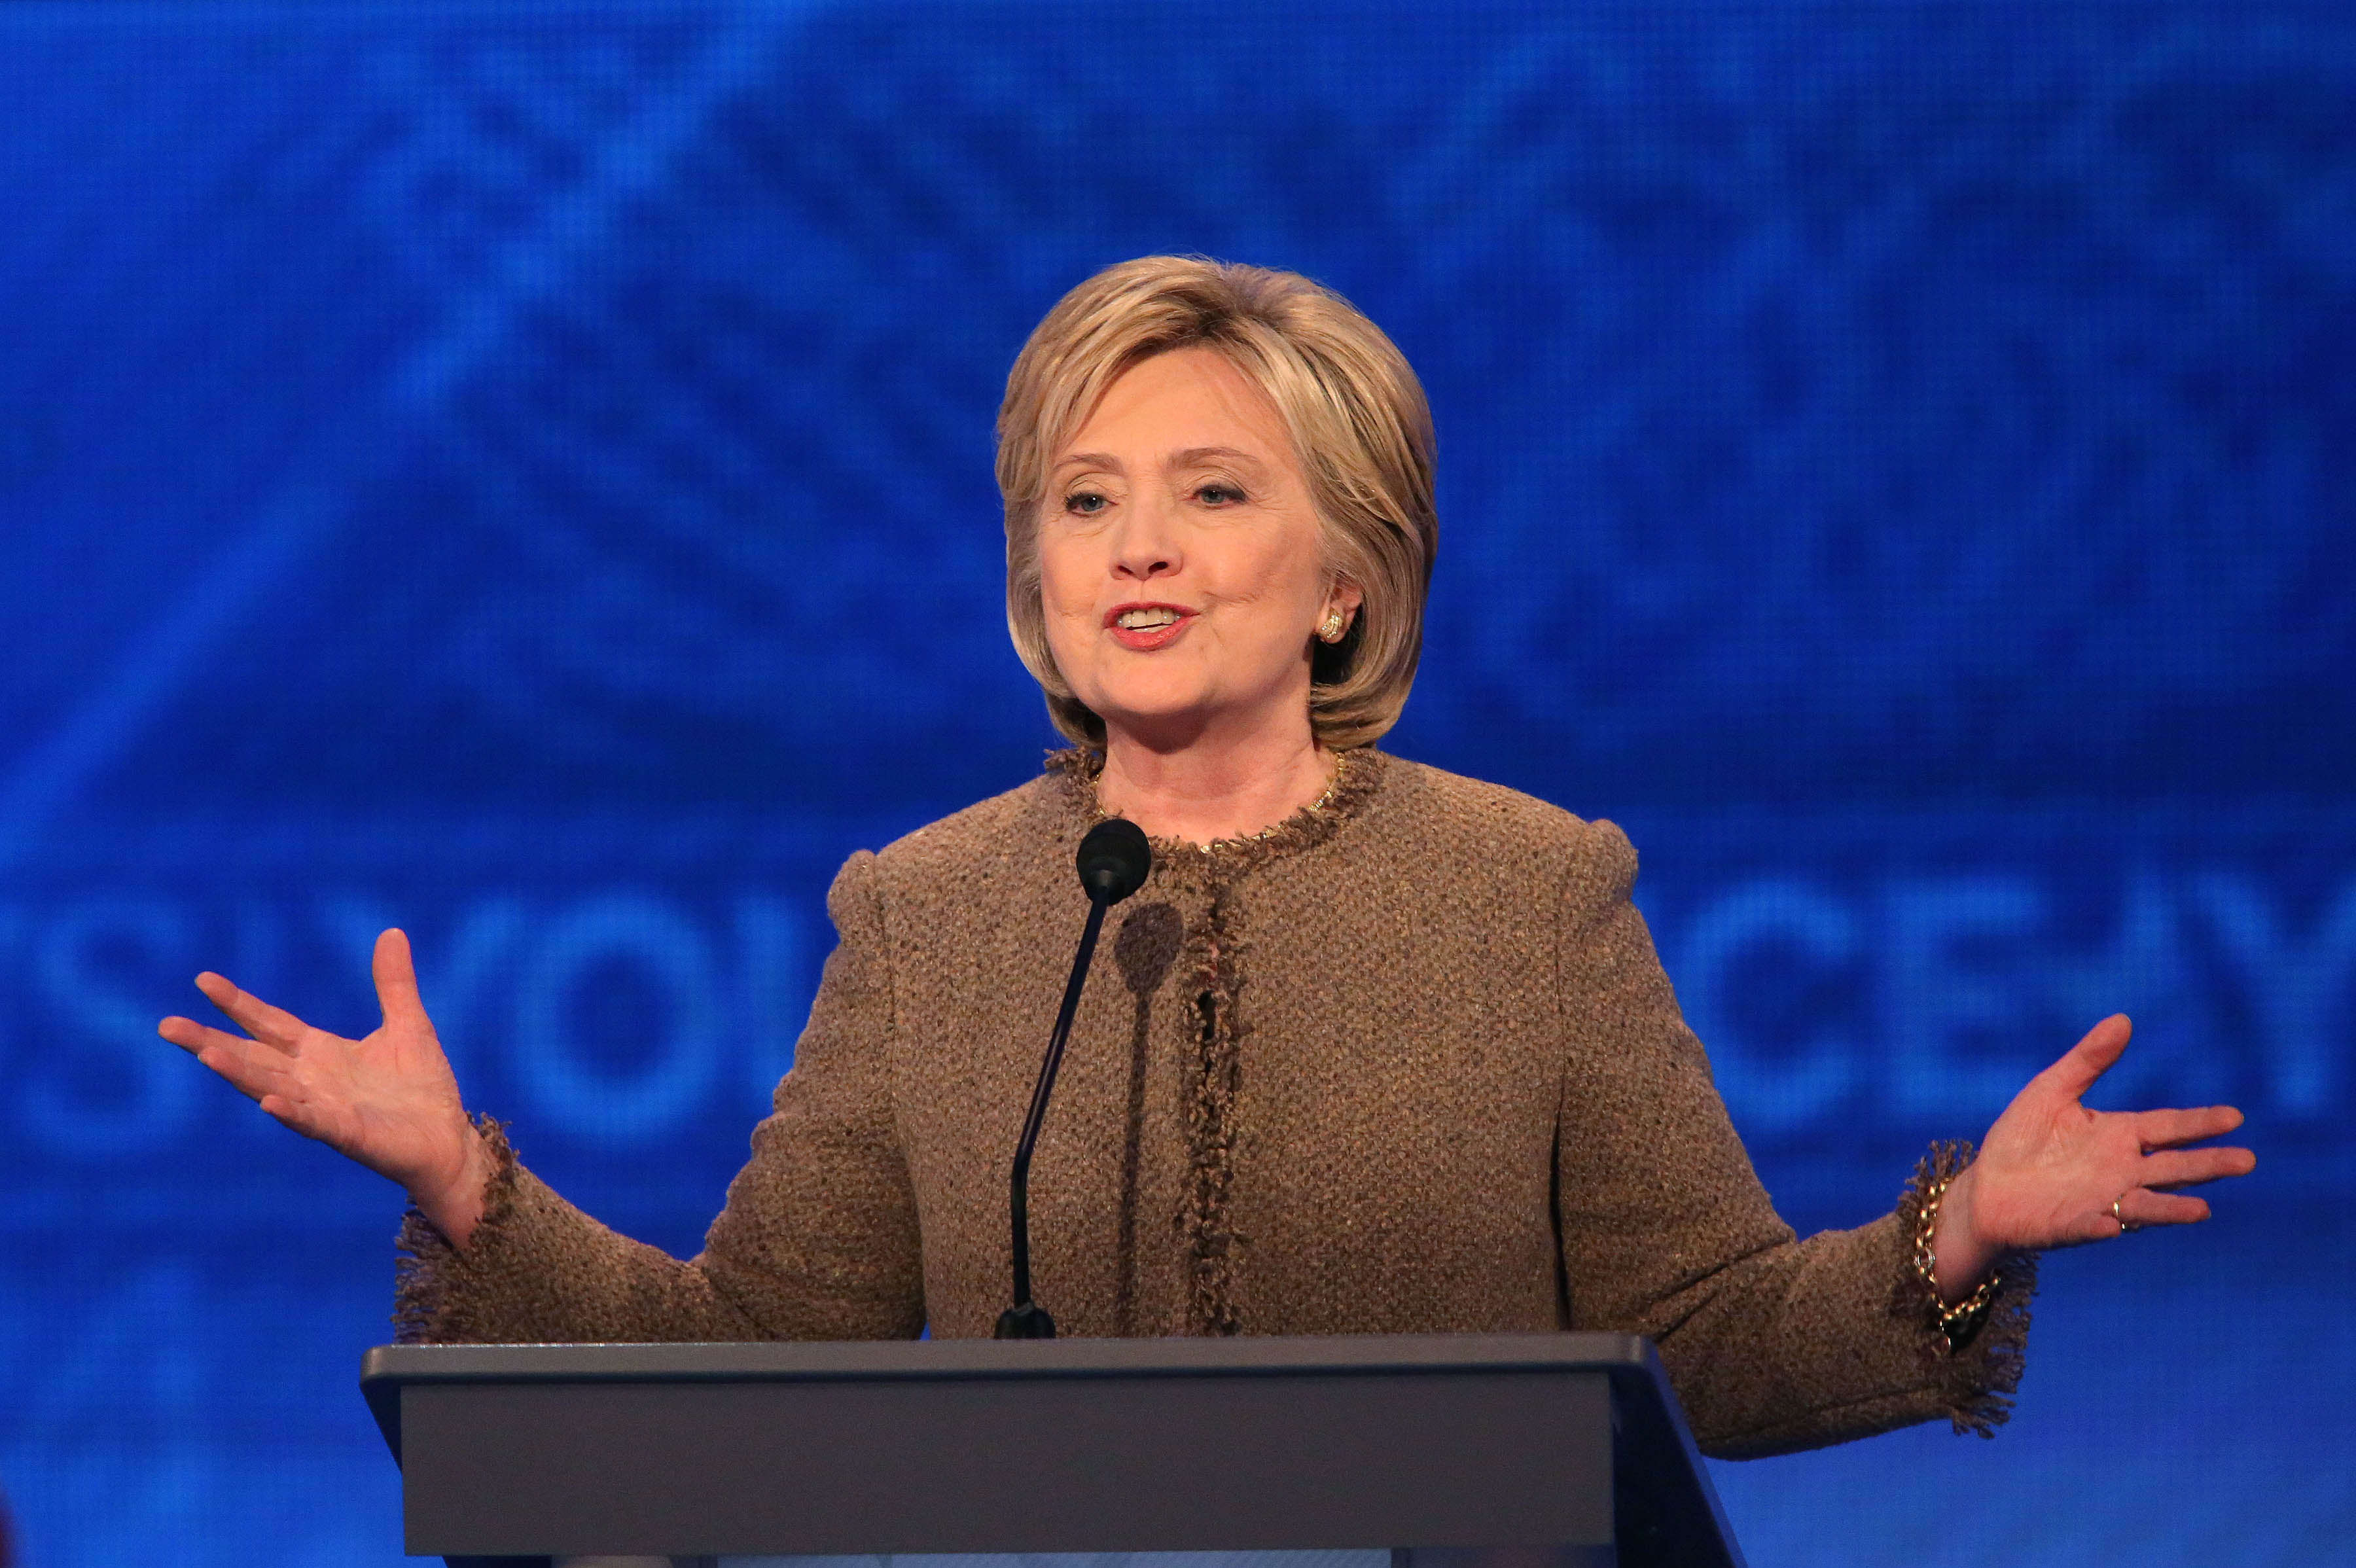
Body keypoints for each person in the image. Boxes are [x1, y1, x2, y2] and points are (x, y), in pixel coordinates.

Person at [159, 256, 2253, 1459]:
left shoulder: (1532, 892)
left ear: (1345, 572)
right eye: (1083, 501)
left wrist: (1957, 1230)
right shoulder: (929, 912)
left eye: (1210, 490)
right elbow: (761, 1355)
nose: (1135, 545)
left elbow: (1698, 1338)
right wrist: (465, 1184)